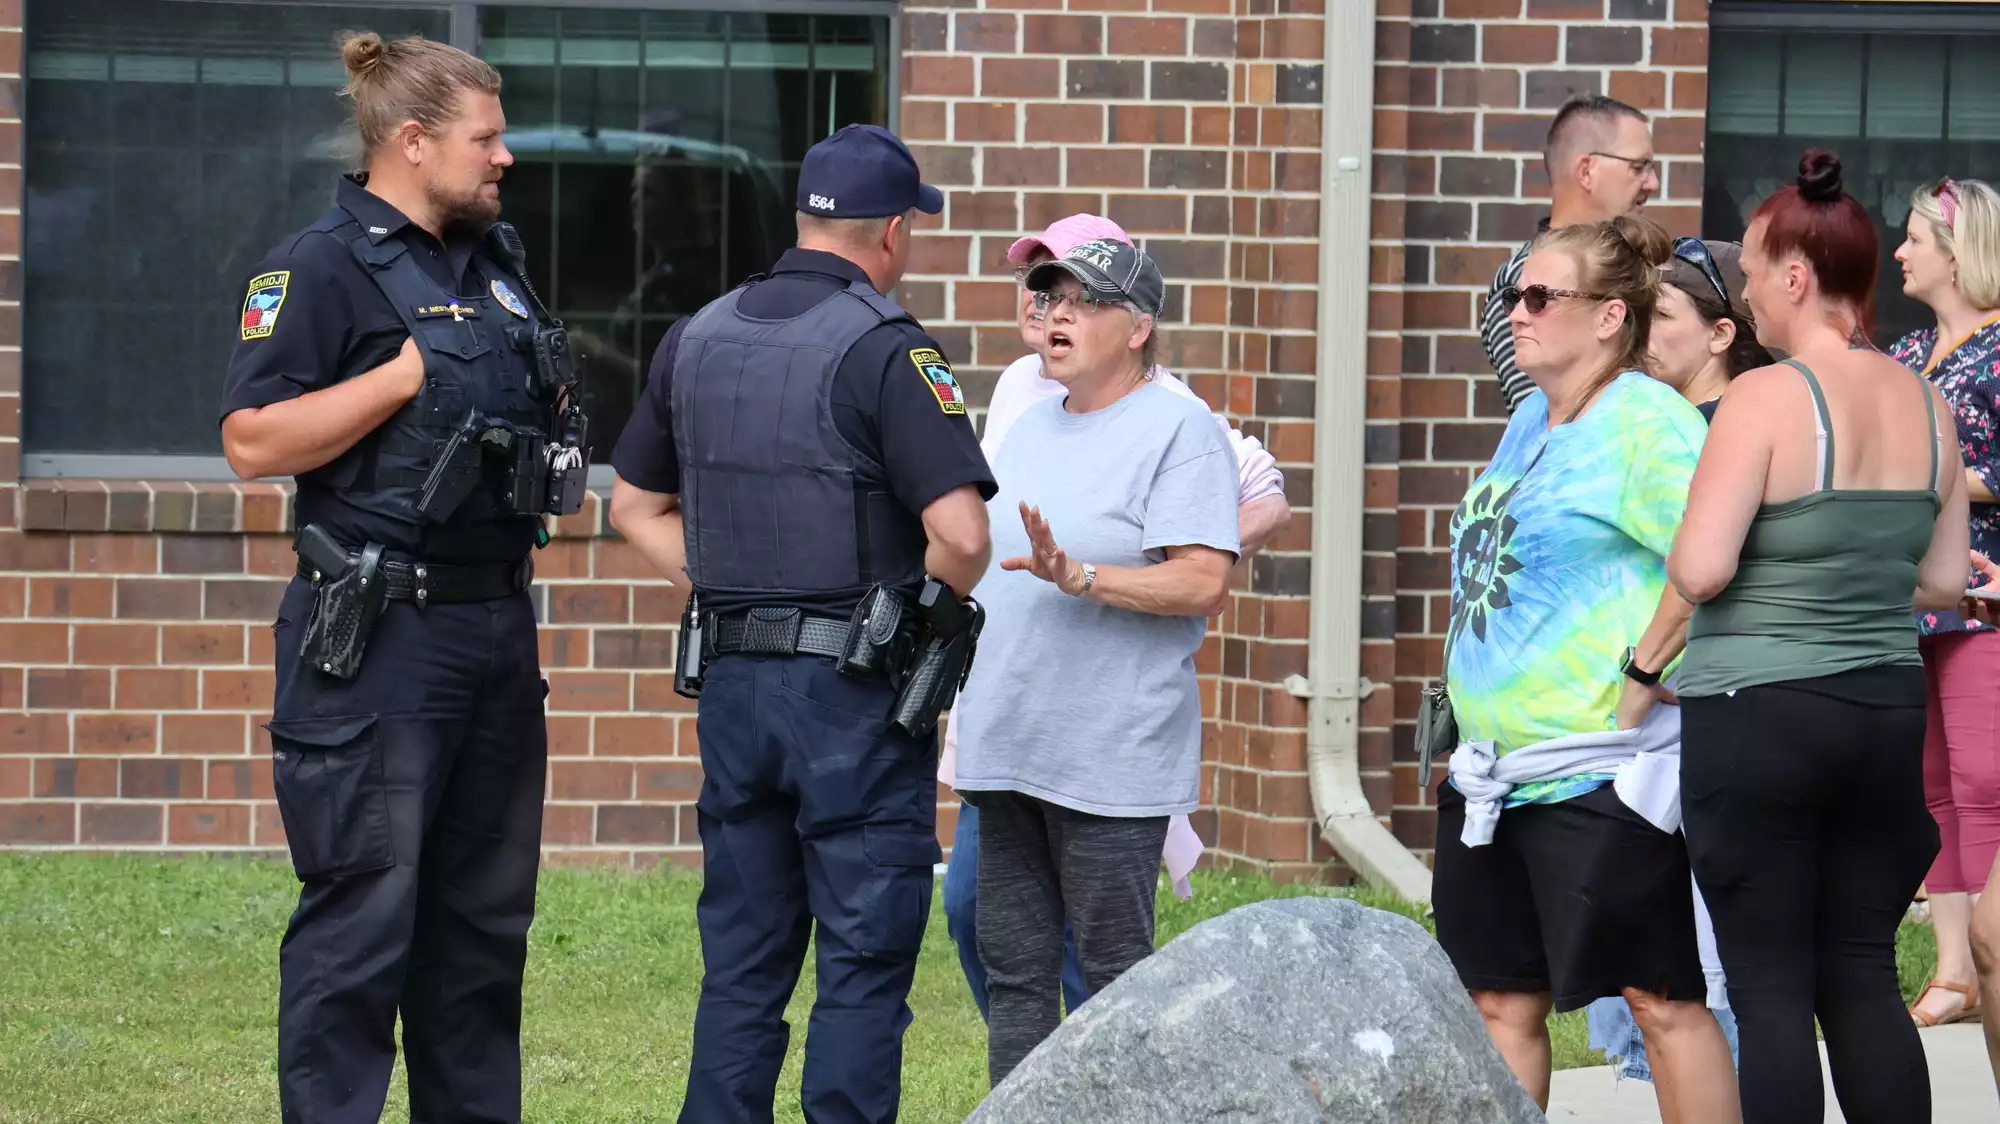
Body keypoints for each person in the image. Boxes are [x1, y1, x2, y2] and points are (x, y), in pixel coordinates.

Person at [606, 123, 995, 1124]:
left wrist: (739, 588)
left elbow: (632, 505)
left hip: (735, 687)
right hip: (853, 699)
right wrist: (910, 620)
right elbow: (961, 536)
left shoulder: (697, 333)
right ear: (894, 231)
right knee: (861, 961)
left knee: (742, 961)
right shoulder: (888, 347)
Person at [218, 32, 571, 1124]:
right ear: (411, 142)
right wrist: (401, 376)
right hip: (378, 641)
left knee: (481, 934)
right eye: (486, 138)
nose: (505, 156)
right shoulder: (317, 265)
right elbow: (251, 439)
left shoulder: (496, 263)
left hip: (493, 631)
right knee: (362, 927)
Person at [1669, 150, 1970, 1124]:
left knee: (1768, 988)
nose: (1747, 290)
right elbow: (1940, 581)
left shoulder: (1762, 397)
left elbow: (1699, 569)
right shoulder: (1926, 401)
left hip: (1759, 713)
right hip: (1882, 708)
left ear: (1796, 276)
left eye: (1754, 270)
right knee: (1861, 972)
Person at [938, 213, 1291, 1021]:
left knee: (1113, 982)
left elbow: (1203, 580)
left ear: (1138, 328)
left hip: (1107, 757)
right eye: (1049, 295)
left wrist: (1084, 577)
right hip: (1008, 740)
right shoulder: (1027, 420)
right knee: (1015, 978)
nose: (1056, 313)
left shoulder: (1180, 427)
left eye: (1084, 300)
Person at [1431, 213, 1740, 1124]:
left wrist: (1641, 675)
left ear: (1609, 317)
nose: (1516, 312)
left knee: (1660, 1000)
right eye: (1513, 295)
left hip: (1602, 770)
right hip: (1494, 773)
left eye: (1539, 296)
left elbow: (1709, 563)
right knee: (1499, 1000)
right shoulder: (1531, 416)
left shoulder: (1648, 423)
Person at [1583, 235, 1773, 1086]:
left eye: (1661, 317)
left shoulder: (1730, 431)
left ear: (1722, 334)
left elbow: (1710, 575)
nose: (1641, 333)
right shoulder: (1650, 418)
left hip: (1698, 707)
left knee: (1701, 945)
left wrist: (1648, 669)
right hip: (1656, 709)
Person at [1887, 176, 2000, 1032]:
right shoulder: (1905, 354)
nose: (1899, 253)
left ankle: (1994, 952)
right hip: (1912, 594)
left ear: (1957, 254)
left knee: (1984, 777)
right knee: (1932, 784)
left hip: (1985, 595)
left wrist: (1930, 475)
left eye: (1914, 239)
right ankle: (1957, 968)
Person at [1484, 95, 1660, 415]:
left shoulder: (1642, 265)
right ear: (1586, 171)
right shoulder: (1520, 279)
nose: (1653, 183)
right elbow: (1551, 415)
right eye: (1639, 166)